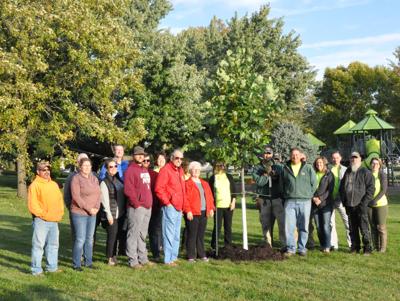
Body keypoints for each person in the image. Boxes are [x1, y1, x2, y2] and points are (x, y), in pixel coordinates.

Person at [28, 161, 64, 276]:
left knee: (53, 245)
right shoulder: (34, 185)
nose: (47, 172)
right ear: (38, 172)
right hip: (41, 221)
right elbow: (33, 205)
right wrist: (44, 214)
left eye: (48, 170)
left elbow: (59, 201)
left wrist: (59, 213)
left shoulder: (53, 184)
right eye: (44, 170)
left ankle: (52, 267)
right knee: (38, 246)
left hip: (54, 221)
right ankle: (36, 270)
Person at [280, 147, 317, 256]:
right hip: (289, 202)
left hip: (305, 202)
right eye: (293, 155)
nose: (295, 156)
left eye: (297, 154)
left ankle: (302, 248)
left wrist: (308, 194)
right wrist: (286, 195)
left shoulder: (308, 168)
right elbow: (281, 185)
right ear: (290, 156)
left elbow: (314, 184)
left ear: (301, 156)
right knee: (289, 227)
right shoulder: (285, 168)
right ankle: (291, 248)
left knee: (304, 227)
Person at [155, 149, 186, 266]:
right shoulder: (165, 170)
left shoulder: (180, 171)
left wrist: (183, 206)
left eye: (181, 158)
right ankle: (168, 260)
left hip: (179, 207)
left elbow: (182, 190)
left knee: (176, 234)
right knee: (169, 234)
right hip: (170, 206)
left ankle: (174, 256)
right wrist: (167, 203)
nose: (179, 160)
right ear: (172, 158)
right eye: (177, 158)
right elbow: (159, 189)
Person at [124, 146, 153, 268]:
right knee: (133, 234)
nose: (141, 156)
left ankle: (143, 258)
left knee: (142, 234)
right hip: (137, 207)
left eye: (142, 155)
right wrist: (136, 203)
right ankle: (133, 260)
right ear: (133, 156)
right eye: (138, 154)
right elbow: (128, 189)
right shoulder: (131, 170)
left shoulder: (144, 170)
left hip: (147, 206)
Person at [340, 151, 374, 255]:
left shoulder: (365, 172)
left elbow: (371, 189)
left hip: (361, 205)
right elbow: (342, 188)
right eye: (352, 158)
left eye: (356, 157)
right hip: (349, 205)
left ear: (360, 159)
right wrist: (344, 201)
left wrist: (363, 203)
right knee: (352, 228)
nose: (353, 159)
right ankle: (355, 247)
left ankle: (367, 248)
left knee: (364, 228)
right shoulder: (348, 171)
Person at [71, 157, 101, 271]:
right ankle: (76, 264)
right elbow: (76, 197)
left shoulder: (94, 178)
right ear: (80, 167)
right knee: (80, 239)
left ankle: (88, 262)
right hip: (79, 213)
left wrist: (97, 207)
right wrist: (89, 208)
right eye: (85, 165)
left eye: (89, 165)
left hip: (93, 213)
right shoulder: (76, 179)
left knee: (89, 238)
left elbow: (99, 194)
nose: (87, 167)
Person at [252, 146, 285, 248]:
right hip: (264, 199)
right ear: (263, 154)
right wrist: (266, 174)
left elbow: (283, 179)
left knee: (282, 222)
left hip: (277, 198)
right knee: (265, 223)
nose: (267, 155)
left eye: (269, 153)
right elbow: (259, 182)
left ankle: (284, 244)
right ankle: (268, 244)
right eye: (265, 153)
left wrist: (275, 174)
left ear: (272, 154)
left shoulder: (279, 166)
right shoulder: (257, 168)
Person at [184, 161, 215, 262]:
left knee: (200, 235)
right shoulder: (187, 183)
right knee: (192, 235)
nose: (196, 171)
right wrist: (188, 211)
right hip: (192, 213)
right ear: (190, 170)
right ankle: (191, 256)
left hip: (204, 212)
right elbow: (185, 199)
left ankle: (201, 254)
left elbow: (210, 197)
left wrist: (211, 208)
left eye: (198, 169)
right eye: (194, 169)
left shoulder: (205, 183)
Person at [100, 158, 126, 266]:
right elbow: (105, 201)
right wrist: (109, 215)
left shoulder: (118, 179)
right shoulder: (104, 182)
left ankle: (114, 256)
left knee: (116, 236)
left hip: (120, 213)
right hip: (111, 214)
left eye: (115, 166)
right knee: (112, 236)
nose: (114, 168)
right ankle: (109, 258)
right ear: (106, 169)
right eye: (111, 166)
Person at [209, 162, 236, 250]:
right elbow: (210, 193)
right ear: (216, 166)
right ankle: (214, 245)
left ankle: (228, 245)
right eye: (220, 165)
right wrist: (211, 206)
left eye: (224, 165)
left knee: (228, 226)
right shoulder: (213, 178)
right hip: (218, 206)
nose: (222, 167)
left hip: (228, 206)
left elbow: (234, 191)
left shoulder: (229, 176)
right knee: (217, 227)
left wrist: (233, 201)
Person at [63, 153, 89, 243]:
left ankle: (88, 254)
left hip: (90, 212)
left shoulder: (93, 177)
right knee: (77, 236)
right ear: (78, 163)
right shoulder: (72, 176)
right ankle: (78, 255)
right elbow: (66, 194)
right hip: (76, 211)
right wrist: (70, 207)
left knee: (89, 236)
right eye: (81, 161)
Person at [311, 156, 335, 253]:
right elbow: (309, 187)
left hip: (326, 204)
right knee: (318, 226)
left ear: (324, 163)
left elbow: (330, 190)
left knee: (325, 225)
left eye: (320, 163)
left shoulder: (329, 174)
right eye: (317, 163)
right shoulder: (313, 173)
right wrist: (313, 198)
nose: (319, 165)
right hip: (314, 204)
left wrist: (320, 199)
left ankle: (327, 246)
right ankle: (322, 244)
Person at [330, 151, 351, 251]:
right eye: (333, 158)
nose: (335, 159)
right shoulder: (328, 169)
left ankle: (351, 244)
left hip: (342, 200)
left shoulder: (346, 170)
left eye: (337, 157)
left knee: (347, 222)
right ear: (331, 159)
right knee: (331, 223)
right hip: (330, 200)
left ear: (340, 158)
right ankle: (334, 244)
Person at [144, 154, 162, 260]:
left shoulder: (155, 174)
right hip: (142, 207)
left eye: (148, 161)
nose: (146, 162)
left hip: (155, 207)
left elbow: (158, 190)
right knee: (141, 231)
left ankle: (156, 253)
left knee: (154, 231)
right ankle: (141, 252)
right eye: (144, 160)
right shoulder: (137, 173)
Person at [368, 158, 388, 252]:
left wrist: (374, 200)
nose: (375, 165)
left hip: (381, 204)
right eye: (373, 163)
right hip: (369, 204)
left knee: (381, 227)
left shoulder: (382, 175)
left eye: (377, 163)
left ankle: (382, 249)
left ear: (379, 165)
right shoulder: (367, 174)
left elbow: (383, 190)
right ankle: (376, 247)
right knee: (372, 226)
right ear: (370, 164)